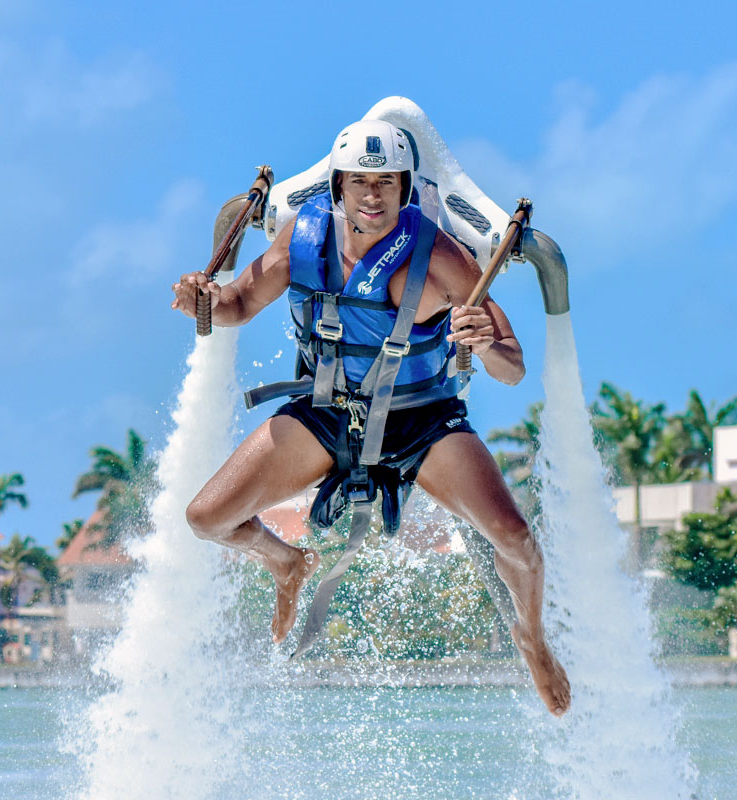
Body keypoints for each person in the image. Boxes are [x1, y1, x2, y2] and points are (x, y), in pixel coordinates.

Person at [171, 120, 570, 716]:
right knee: (205, 517)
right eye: (361, 181)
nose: (374, 196)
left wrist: (485, 343)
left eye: (387, 182)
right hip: (328, 413)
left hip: (424, 420)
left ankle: (531, 638)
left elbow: (511, 368)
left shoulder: (440, 258)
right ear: (338, 186)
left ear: (406, 187)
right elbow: (235, 306)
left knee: (517, 540)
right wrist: (202, 299)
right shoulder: (300, 241)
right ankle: (287, 561)